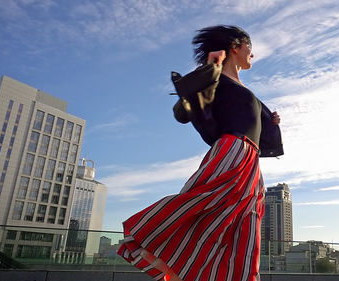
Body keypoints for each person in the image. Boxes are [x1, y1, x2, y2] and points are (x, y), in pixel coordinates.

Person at [117, 25, 282, 281]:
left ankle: (241, 275)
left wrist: (270, 123)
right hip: (233, 150)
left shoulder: (241, 87)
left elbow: (251, 120)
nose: (253, 54)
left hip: (250, 158)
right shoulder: (214, 77)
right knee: (209, 198)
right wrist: (210, 69)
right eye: (250, 47)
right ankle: (148, 231)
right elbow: (183, 111)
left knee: (246, 218)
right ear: (235, 47)